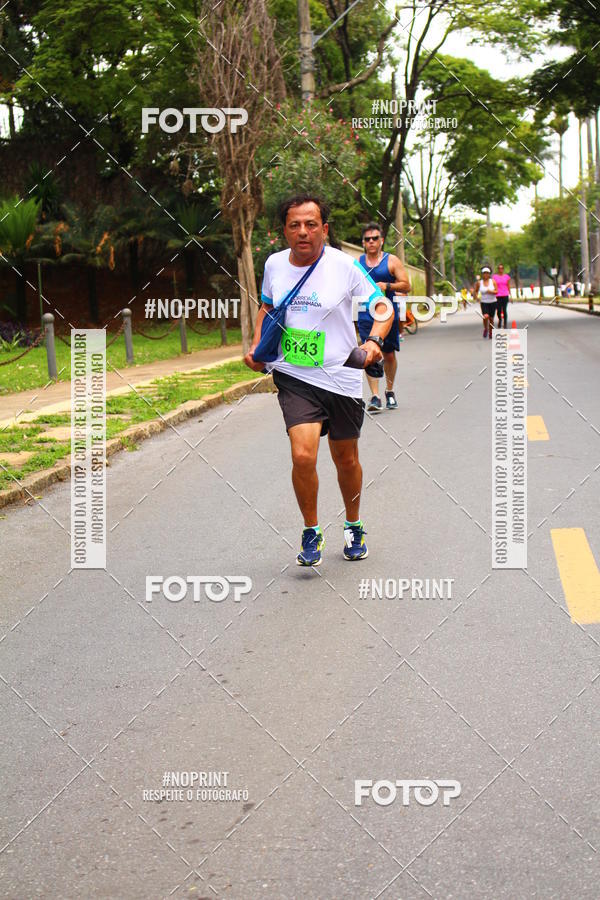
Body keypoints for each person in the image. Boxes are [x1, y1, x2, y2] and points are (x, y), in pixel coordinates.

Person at [244, 194, 393, 567]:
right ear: (284, 230)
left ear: (324, 229)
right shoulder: (275, 264)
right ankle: (311, 530)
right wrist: (257, 345)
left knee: (346, 459)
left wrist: (374, 341)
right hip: (295, 375)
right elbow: (267, 306)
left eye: (311, 224)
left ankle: (354, 524)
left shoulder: (344, 267)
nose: (303, 231)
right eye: (294, 225)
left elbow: (382, 308)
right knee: (302, 454)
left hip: (341, 376)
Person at [357, 223, 411, 413]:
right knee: (368, 353)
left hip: (387, 314)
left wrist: (386, 286)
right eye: (367, 239)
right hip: (364, 314)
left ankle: (389, 390)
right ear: (363, 242)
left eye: (375, 238)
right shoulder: (358, 263)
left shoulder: (391, 261)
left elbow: (406, 285)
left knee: (388, 354)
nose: (371, 242)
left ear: (381, 241)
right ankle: (374, 396)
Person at [471, 266, 497, 339]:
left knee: (491, 318)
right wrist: (476, 297)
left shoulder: (493, 282)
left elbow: (496, 291)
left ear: (489, 274)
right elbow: (475, 291)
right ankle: (486, 328)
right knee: (485, 316)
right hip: (484, 302)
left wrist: (490, 291)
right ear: (482, 274)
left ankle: (491, 332)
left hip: (493, 301)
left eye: (487, 273)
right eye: (484, 273)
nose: (485, 275)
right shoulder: (479, 283)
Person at [493, 263, 511, 329]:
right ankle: (500, 320)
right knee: (498, 310)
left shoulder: (506, 276)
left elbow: (508, 286)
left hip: (505, 294)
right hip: (498, 295)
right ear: (498, 269)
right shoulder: (494, 277)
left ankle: (505, 323)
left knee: (504, 309)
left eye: (501, 268)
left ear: (503, 269)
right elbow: (493, 286)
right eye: (499, 268)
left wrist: (510, 295)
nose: (500, 269)